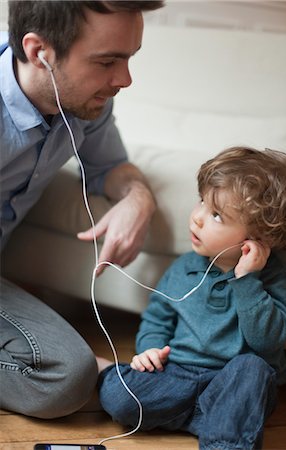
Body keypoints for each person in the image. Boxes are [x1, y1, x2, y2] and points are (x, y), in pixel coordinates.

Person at [0, 0, 164, 419]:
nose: (124, 79)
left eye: (128, 59)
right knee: (70, 376)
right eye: (108, 61)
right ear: (40, 52)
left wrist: (137, 198)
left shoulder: (84, 101)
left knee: (67, 375)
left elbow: (110, 167)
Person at [99, 147, 286, 450]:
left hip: (232, 386)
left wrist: (246, 280)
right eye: (202, 203)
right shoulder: (184, 268)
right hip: (178, 375)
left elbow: (267, 341)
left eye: (216, 215)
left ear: (259, 237)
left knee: (254, 369)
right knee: (121, 399)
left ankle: (220, 437)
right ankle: (204, 419)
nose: (198, 219)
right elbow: (158, 318)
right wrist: (150, 348)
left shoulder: (272, 277)